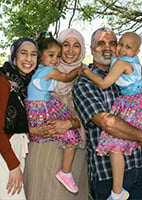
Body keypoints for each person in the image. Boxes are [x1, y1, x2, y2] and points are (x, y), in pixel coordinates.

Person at [72, 27, 142, 200]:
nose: (108, 47)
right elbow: (105, 122)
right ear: (91, 49)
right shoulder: (85, 83)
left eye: (113, 43)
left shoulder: (124, 72)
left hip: (140, 166)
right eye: (101, 43)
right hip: (108, 176)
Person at [23, 28, 88, 200]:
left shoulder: (88, 76)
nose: (70, 50)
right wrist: (35, 130)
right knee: (41, 188)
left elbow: (94, 117)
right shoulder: (38, 71)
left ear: (82, 49)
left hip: (72, 148)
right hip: (43, 146)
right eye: (65, 44)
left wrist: (69, 124)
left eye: (76, 46)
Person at [0, 37, 38, 200]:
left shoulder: (24, 84)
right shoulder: (2, 81)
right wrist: (13, 164)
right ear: (14, 55)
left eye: (33, 54)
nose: (28, 59)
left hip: (12, 150)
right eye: (23, 53)